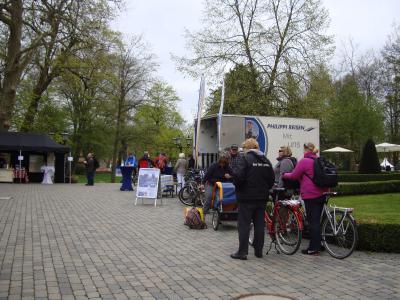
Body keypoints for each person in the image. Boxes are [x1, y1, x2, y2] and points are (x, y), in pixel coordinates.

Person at [230, 138, 275, 260]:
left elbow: (238, 177)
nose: (242, 150)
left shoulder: (245, 158)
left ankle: (242, 252)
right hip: (262, 197)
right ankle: (258, 251)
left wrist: (238, 187)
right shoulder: (266, 160)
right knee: (259, 224)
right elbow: (272, 179)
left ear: (247, 148)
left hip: (246, 197)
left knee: (244, 225)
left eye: (243, 148)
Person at [282, 142, 328, 256]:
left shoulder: (304, 161)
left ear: (305, 150)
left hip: (311, 195)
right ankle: (319, 244)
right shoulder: (319, 160)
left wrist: (284, 175)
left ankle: (313, 249)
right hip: (323, 193)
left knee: (313, 222)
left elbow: (294, 176)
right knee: (317, 221)